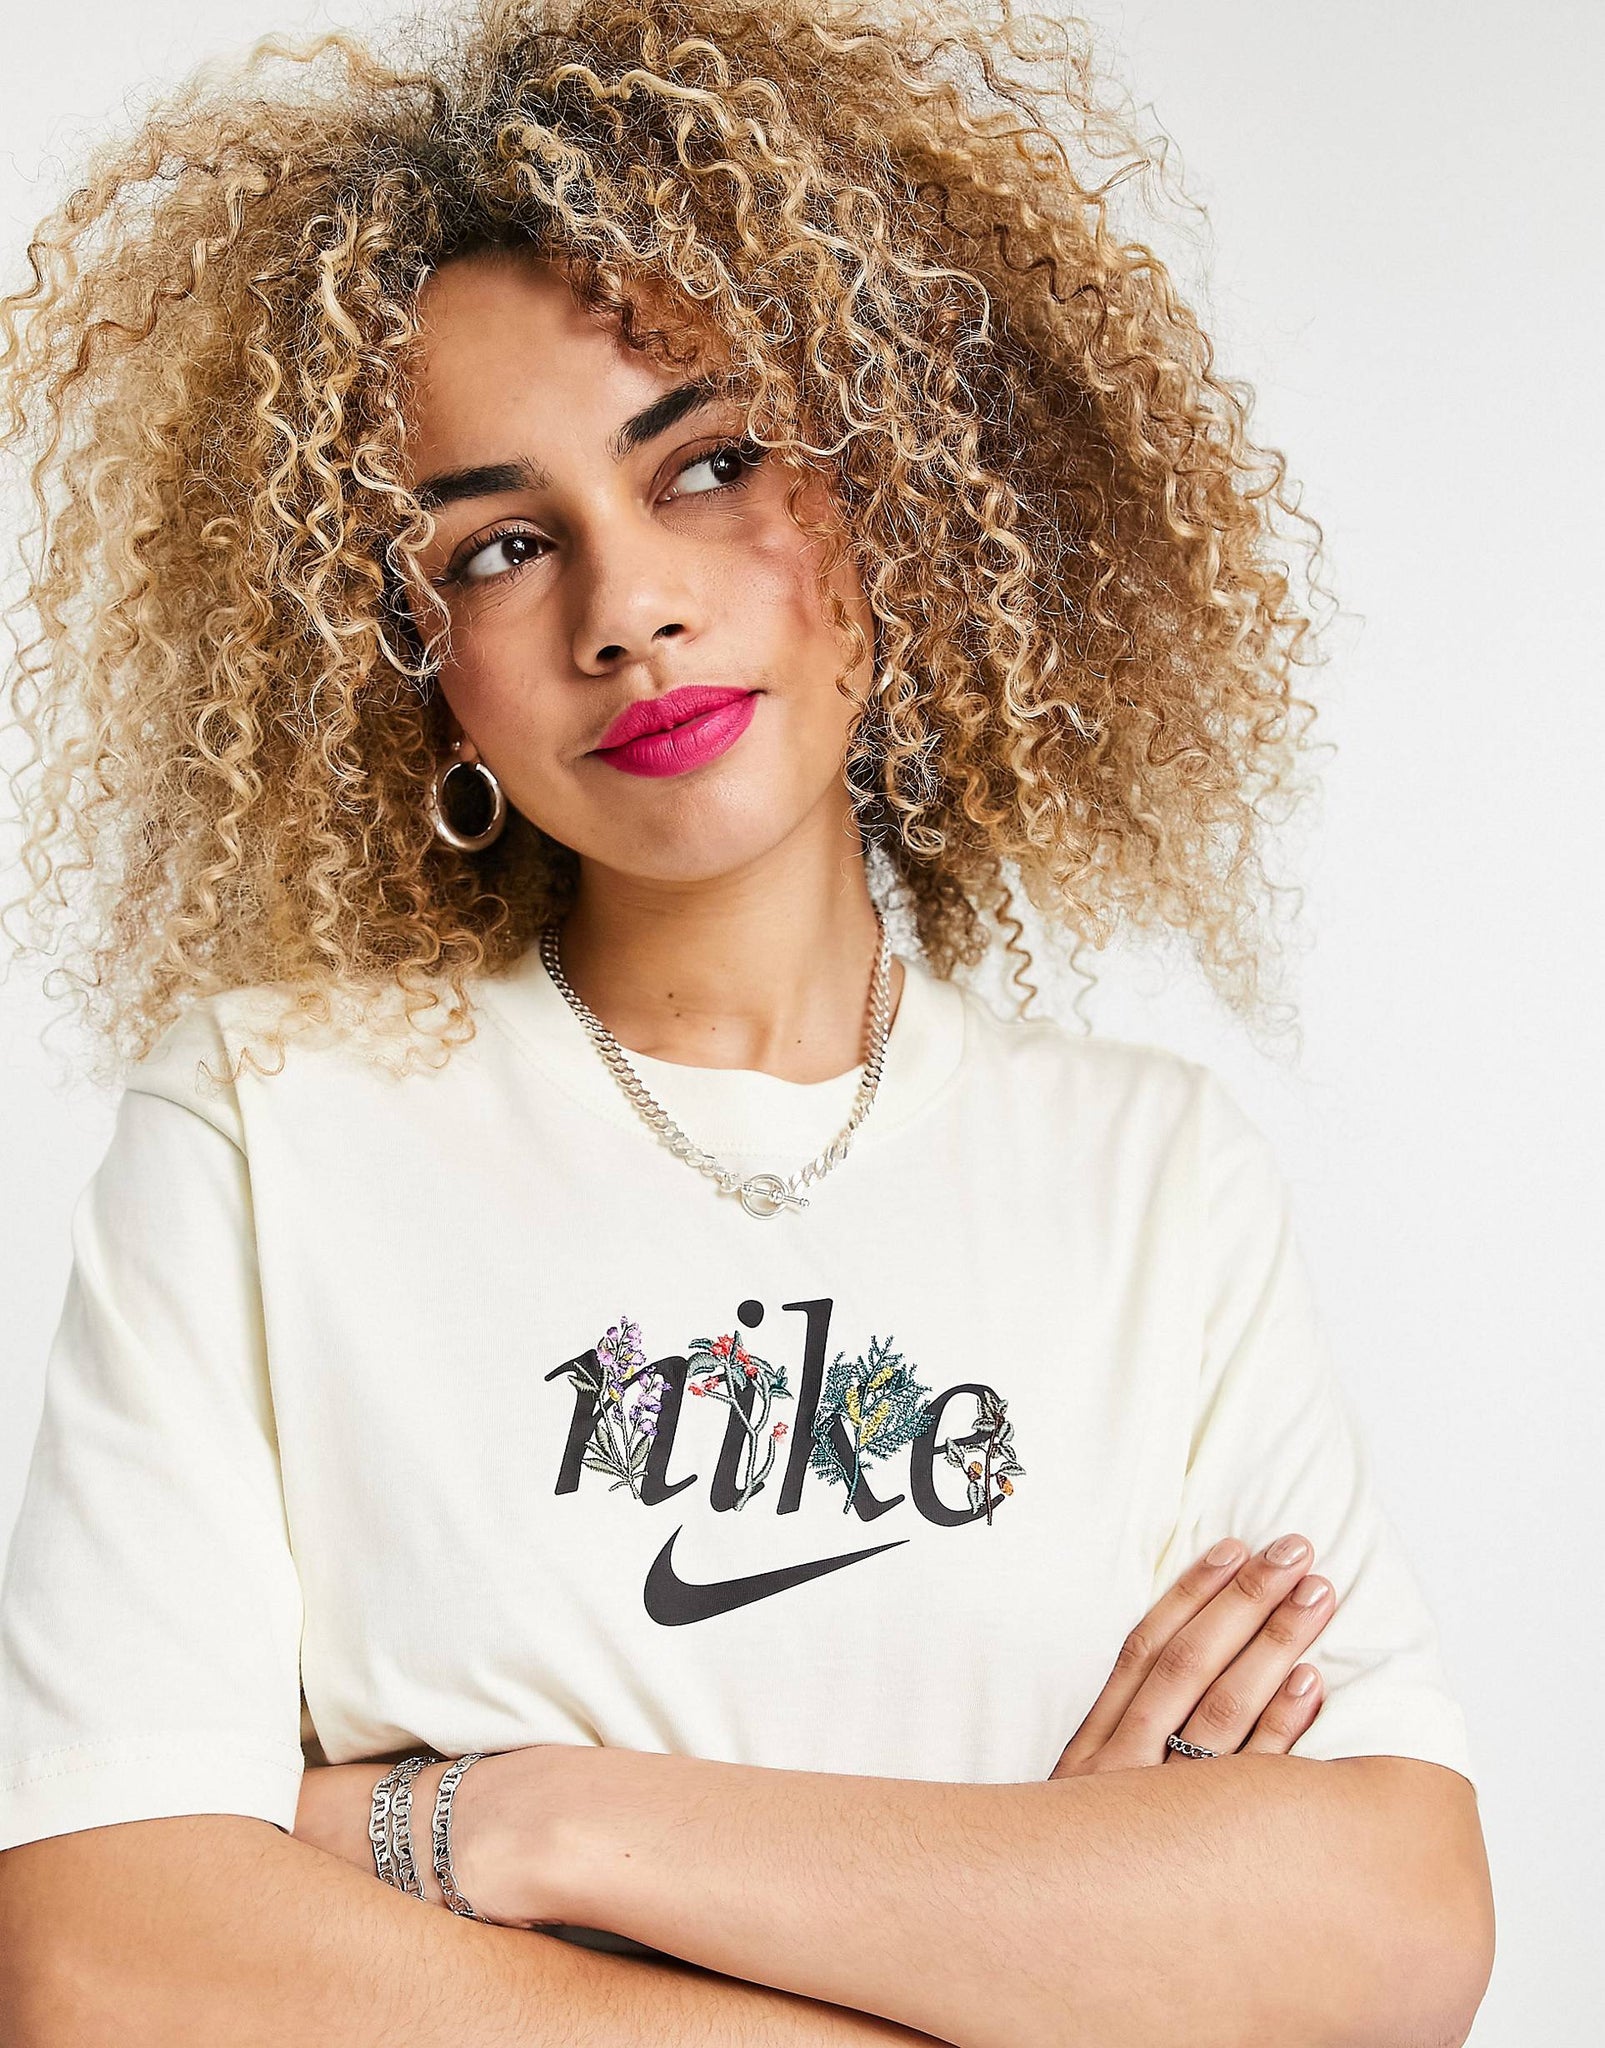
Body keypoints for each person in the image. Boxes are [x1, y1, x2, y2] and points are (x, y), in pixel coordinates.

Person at [0, 0, 1493, 2041]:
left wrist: (524, 1822)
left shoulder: (1144, 1176)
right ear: (409, 662)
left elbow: (1389, 1937)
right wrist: (1025, 1960)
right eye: (498, 547)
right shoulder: (273, 1121)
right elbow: (103, 1964)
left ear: (900, 497)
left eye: (709, 466)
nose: (625, 610)